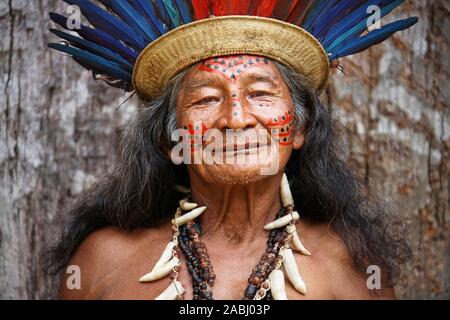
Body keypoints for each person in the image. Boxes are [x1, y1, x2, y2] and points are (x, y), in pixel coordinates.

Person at [45, 1, 417, 300]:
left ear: (300, 128)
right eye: (206, 98)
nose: (236, 119)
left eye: (260, 93)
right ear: (168, 137)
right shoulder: (101, 264)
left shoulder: (351, 268)